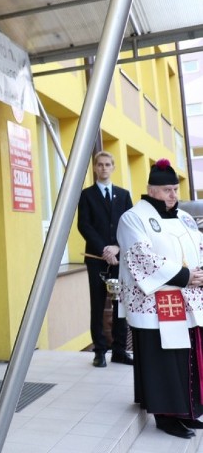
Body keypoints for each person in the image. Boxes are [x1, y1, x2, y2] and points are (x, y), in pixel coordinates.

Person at [117, 159, 203, 439]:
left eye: (175, 190)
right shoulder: (134, 217)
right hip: (158, 303)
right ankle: (167, 417)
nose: (173, 196)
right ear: (151, 190)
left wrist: (199, 274)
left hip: (188, 300)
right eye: (167, 190)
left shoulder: (184, 218)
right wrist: (185, 276)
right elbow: (141, 258)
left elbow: (199, 247)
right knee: (167, 359)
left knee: (186, 356)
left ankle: (188, 411)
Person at [77, 151, 134, 367]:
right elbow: (84, 225)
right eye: (99, 164)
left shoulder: (123, 194)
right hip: (96, 259)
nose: (103, 168)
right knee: (98, 304)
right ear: (94, 167)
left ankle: (119, 350)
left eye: (107, 164)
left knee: (120, 304)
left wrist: (117, 248)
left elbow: (129, 226)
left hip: (119, 260)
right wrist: (104, 250)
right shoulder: (86, 195)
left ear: (113, 167)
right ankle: (99, 351)